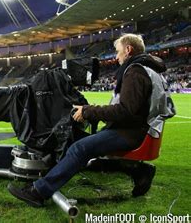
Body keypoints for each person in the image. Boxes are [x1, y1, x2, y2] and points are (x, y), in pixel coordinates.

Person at [8, 33, 166, 207]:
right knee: (78, 141)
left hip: (130, 132)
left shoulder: (135, 71)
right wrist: (92, 110)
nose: (116, 56)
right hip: (133, 128)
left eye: (118, 51)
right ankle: (139, 170)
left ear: (128, 50)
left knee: (79, 148)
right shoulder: (146, 68)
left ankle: (39, 192)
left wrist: (88, 111)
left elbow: (125, 111)